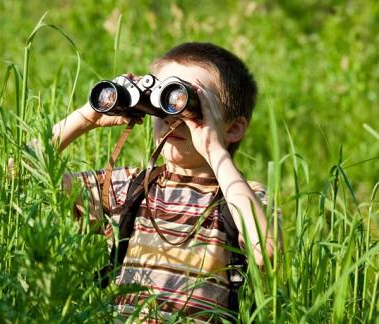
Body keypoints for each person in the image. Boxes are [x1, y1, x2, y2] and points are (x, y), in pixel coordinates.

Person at [52, 42, 281, 322]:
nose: (173, 115)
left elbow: (268, 253)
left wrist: (214, 150)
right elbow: (19, 170)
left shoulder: (242, 198)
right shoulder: (128, 187)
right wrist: (86, 117)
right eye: (163, 100)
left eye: (190, 104)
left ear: (233, 127)